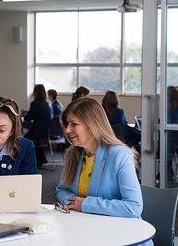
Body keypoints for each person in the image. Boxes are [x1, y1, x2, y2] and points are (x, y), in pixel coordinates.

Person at [55, 97, 152, 245]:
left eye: (74, 124)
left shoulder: (119, 155)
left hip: (123, 236)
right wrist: (75, 202)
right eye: (67, 124)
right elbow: (61, 191)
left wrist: (86, 204)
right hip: (88, 232)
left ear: (92, 125)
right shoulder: (74, 154)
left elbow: (133, 207)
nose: (67, 130)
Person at [23, 84, 53, 168]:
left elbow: (28, 117)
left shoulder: (35, 103)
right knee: (33, 140)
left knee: (25, 140)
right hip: (46, 130)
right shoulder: (48, 103)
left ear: (35, 92)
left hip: (39, 131)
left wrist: (23, 117)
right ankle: (41, 158)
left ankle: (30, 160)